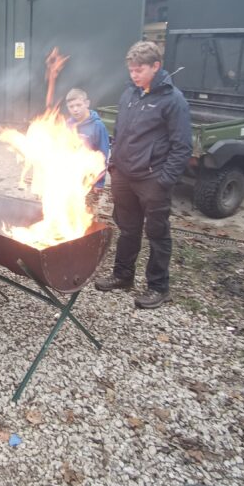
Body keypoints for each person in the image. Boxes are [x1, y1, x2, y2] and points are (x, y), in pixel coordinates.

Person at [94, 41, 191, 309]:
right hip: (124, 176)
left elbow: (182, 146)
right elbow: (120, 133)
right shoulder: (130, 94)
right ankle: (123, 275)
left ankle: (158, 287)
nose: (134, 75)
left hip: (152, 179)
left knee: (157, 233)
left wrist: (163, 180)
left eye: (139, 70)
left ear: (155, 66)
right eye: (131, 70)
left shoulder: (173, 100)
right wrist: (114, 164)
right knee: (128, 229)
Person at [65, 87, 110, 211]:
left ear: (87, 104)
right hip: (71, 176)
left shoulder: (98, 126)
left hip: (89, 179)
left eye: (78, 105)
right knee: (68, 210)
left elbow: (103, 155)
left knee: (86, 212)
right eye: (71, 106)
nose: (75, 109)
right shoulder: (68, 124)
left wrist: (99, 182)